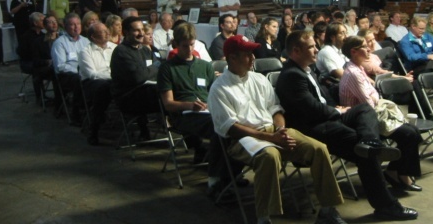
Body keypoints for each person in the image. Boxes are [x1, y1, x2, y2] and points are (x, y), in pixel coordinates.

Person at [276, 30, 419, 221]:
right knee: (365, 154)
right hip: (313, 127)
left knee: (364, 110)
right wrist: (337, 111)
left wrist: (337, 108)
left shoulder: (305, 70)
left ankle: (370, 142)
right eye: (311, 47)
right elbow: (310, 109)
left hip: (326, 117)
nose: (316, 50)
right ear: (296, 51)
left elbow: (322, 99)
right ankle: (386, 206)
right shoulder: (292, 75)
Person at [208, 35, 347, 224]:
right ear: (232, 58)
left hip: (273, 130)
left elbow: (276, 109)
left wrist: (280, 130)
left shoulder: (259, 79)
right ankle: (264, 217)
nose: (253, 57)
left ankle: (328, 210)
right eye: (247, 54)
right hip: (243, 139)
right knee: (270, 156)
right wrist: (271, 138)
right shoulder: (219, 88)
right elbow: (231, 128)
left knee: (319, 149)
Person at [340, 36, 423, 193]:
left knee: (413, 131)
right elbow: (369, 104)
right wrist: (374, 97)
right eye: (364, 46)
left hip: (372, 114)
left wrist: (374, 97)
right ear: (354, 51)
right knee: (409, 134)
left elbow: (374, 97)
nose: (369, 49)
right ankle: (401, 174)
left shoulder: (358, 69)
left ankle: (395, 171)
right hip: (364, 122)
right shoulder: (353, 73)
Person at [157, 22, 224, 192]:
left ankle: (229, 171)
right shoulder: (167, 69)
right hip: (183, 115)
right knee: (218, 127)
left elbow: (215, 94)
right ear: (176, 45)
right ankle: (216, 177)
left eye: (192, 45)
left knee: (231, 123)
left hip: (206, 110)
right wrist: (190, 105)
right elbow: (168, 104)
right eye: (185, 46)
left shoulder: (205, 66)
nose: (189, 49)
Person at [110, 16, 161, 140]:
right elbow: (138, 77)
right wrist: (154, 67)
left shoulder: (145, 50)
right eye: (136, 30)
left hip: (146, 93)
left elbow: (159, 69)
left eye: (142, 30)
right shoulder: (121, 52)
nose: (141, 33)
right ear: (126, 32)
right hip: (128, 97)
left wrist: (151, 69)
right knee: (165, 96)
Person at [398, 16, 433, 112]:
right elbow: (411, 57)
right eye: (421, 28)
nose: (423, 31)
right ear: (413, 26)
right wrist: (428, 56)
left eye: (424, 28)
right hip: (416, 67)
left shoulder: (428, 36)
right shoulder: (405, 41)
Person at [78, 22, 116, 145]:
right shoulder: (85, 52)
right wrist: (114, 76)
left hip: (114, 81)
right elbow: (92, 74)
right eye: (103, 31)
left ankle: (143, 129)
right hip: (93, 84)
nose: (108, 33)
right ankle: (94, 129)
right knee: (103, 89)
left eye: (107, 30)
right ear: (93, 37)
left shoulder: (115, 48)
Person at [51, 13, 90, 123]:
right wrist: (78, 71)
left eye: (78, 24)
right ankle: (77, 112)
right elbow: (60, 66)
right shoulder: (59, 43)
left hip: (85, 71)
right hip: (67, 75)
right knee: (78, 80)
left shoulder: (86, 41)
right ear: (65, 26)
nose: (76, 27)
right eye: (72, 24)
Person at [32, 15, 59, 104]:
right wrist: (47, 61)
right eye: (50, 22)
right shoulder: (38, 42)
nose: (54, 24)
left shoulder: (63, 39)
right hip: (47, 68)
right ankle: (58, 101)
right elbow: (35, 61)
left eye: (55, 21)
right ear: (45, 26)